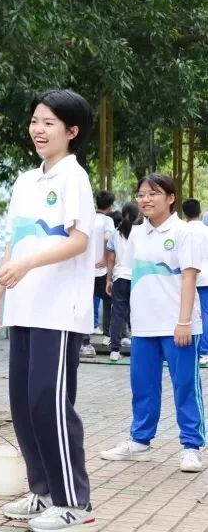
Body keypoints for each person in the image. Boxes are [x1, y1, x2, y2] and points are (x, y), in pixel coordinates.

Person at [0, 89, 97, 530]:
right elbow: (15, 241)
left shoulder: (74, 177)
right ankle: (42, 491)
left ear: (72, 131)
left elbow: (79, 240)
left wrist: (28, 265)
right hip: (23, 306)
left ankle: (74, 502)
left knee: (49, 402)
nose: (38, 129)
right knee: (23, 402)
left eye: (49, 122)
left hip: (59, 310)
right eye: (35, 121)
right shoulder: (26, 182)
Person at [101, 175, 204, 473]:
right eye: (141, 194)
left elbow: (189, 277)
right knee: (143, 386)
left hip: (177, 324)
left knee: (185, 385)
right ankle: (140, 441)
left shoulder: (185, 232)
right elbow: (134, 276)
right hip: (145, 324)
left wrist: (184, 322)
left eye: (153, 193)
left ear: (171, 198)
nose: (145, 199)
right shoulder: (136, 233)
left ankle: (191, 446)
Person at [81, 191, 116, 358]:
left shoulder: (88, 218)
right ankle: (108, 336)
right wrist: (104, 257)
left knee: (86, 303)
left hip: (86, 268)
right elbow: (108, 238)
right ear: (110, 206)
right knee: (109, 300)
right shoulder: (107, 220)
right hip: (101, 269)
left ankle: (85, 341)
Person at [106, 202, 139, 361]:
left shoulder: (115, 234)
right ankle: (139, 349)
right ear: (137, 215)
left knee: (117, 313)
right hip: (138, 278)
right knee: (137, 312)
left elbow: (111, 260)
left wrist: (108, 279)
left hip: (120, 277)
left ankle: (114, 350)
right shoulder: (141, 233)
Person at [181, 198, 208, 366]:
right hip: (206, 277)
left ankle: (190, 349)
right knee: (205, 314)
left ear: (184, 213)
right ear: (199, 212)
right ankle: (204, 351)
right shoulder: (206, 230)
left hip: (186, 278)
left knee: (186, 313)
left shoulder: (182, 231)